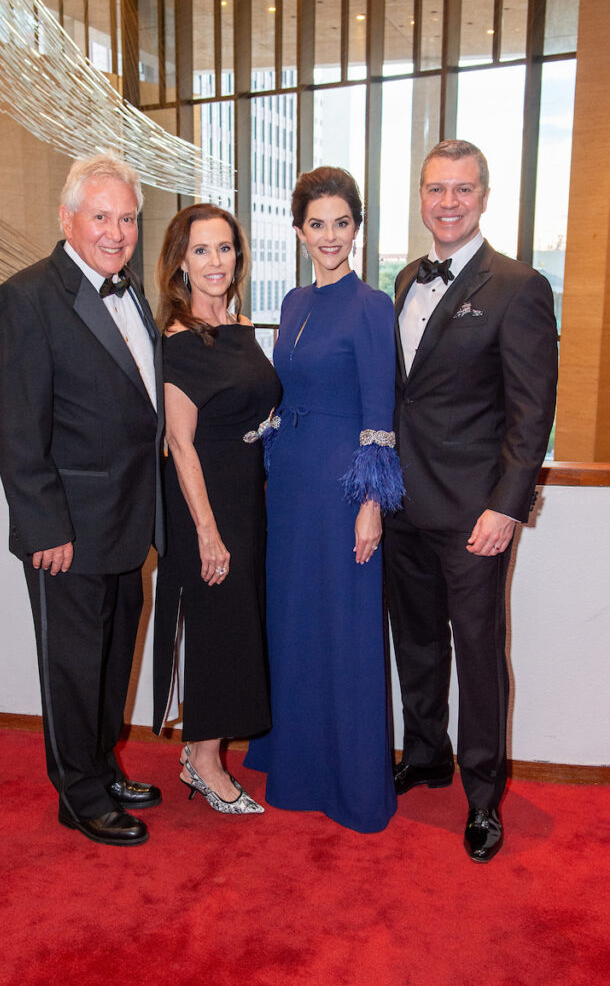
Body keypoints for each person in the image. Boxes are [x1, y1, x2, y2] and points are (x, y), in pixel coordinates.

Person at [0, 152, 165, 847]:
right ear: (67, 219)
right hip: (67, 531)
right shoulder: (27, 297)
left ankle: (102, 766)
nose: (115, 231)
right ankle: (78, 793)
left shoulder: (131, 295)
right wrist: (42, 528)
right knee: (71, 667)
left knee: (111, 661)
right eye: (101, 216)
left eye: (126, 218)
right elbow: (15, 425)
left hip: (128, 524)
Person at [385, 139, 558, 862]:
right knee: (417, 645)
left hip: (474, 516)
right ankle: (426, 753)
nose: (447, 202)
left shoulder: (518, 286)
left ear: (483, 196)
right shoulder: (401, 281)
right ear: (421, 197)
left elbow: (532, 412)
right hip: (401, 508)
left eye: (461, 189)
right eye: (435, 189)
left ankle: (483, 795)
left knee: (479, 655)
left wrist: (506, 508)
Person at [244, 167, 404, 833]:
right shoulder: (293, 302)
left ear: (356, 229)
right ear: (300, 230)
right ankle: (296, 760)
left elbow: (380, 409)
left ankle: (354, 784)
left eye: (342, 223)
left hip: (342, 489)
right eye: (318, 224)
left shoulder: (372, 306)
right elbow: (282, 395)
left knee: (344, 628)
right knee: (294, 621)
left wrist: (371, 502)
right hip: (291, 486)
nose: (330, 236)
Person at [152, 203, 281, 814]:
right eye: (201, 250)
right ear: (180, 261)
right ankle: (204, 760)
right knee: (216, 630)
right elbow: (180, 442)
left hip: (246, 497)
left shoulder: (242, 324)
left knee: (237, 627)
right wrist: (207, 532)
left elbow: (252, 407)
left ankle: (202, 751)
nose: (215, 261)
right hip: (206, 505)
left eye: (224, 248)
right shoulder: (177, 342)